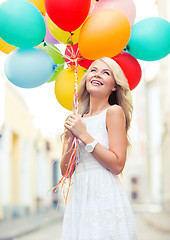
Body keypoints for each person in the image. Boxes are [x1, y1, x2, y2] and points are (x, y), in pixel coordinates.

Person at [60, 57, 137, 239]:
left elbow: (117, 165)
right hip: (79, 198)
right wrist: (72, 137)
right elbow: (65, 171)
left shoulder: (113, 112)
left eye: (106, 72)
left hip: (104, 196)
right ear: (86, 77)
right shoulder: (76, 118)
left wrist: (84, 136)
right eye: (94, 70)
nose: (97, 74)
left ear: (114, 86)